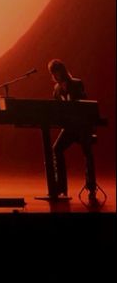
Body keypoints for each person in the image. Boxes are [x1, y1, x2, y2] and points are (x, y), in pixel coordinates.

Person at [48, 59, 96, 198]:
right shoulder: (56, 89)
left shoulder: (76, 83)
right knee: (56, 149)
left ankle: (91, 187)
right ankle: (61, 187)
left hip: (82, 126)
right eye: (53, 73)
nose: (56, 75)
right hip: (69, 128)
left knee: (87, 153)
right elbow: (56, 109)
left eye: (57, 71)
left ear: (63, 70)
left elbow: (83, 105)